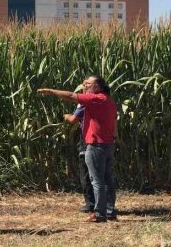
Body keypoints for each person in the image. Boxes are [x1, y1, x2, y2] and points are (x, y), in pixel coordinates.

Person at [39, 75, 117, 222]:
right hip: (107, 145)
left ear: (98, 87)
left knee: (97, 180)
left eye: (88, 84)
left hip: (95, 145)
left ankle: (100, 214)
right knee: (107, 180)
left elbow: (70, 96)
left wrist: (50, 91)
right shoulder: (109, 101)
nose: (84, 86)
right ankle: (109, 211)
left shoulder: (96, 99)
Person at [64, 105, 94, 213]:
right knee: (99, 175)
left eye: (86, 86)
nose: (84, 87)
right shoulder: (104, 102)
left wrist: (67, 116)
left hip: (87, 142)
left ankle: (91, 204)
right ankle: (104, 204)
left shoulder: (86, 103)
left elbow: (73, 119)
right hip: (101, 143)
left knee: (85, 174)